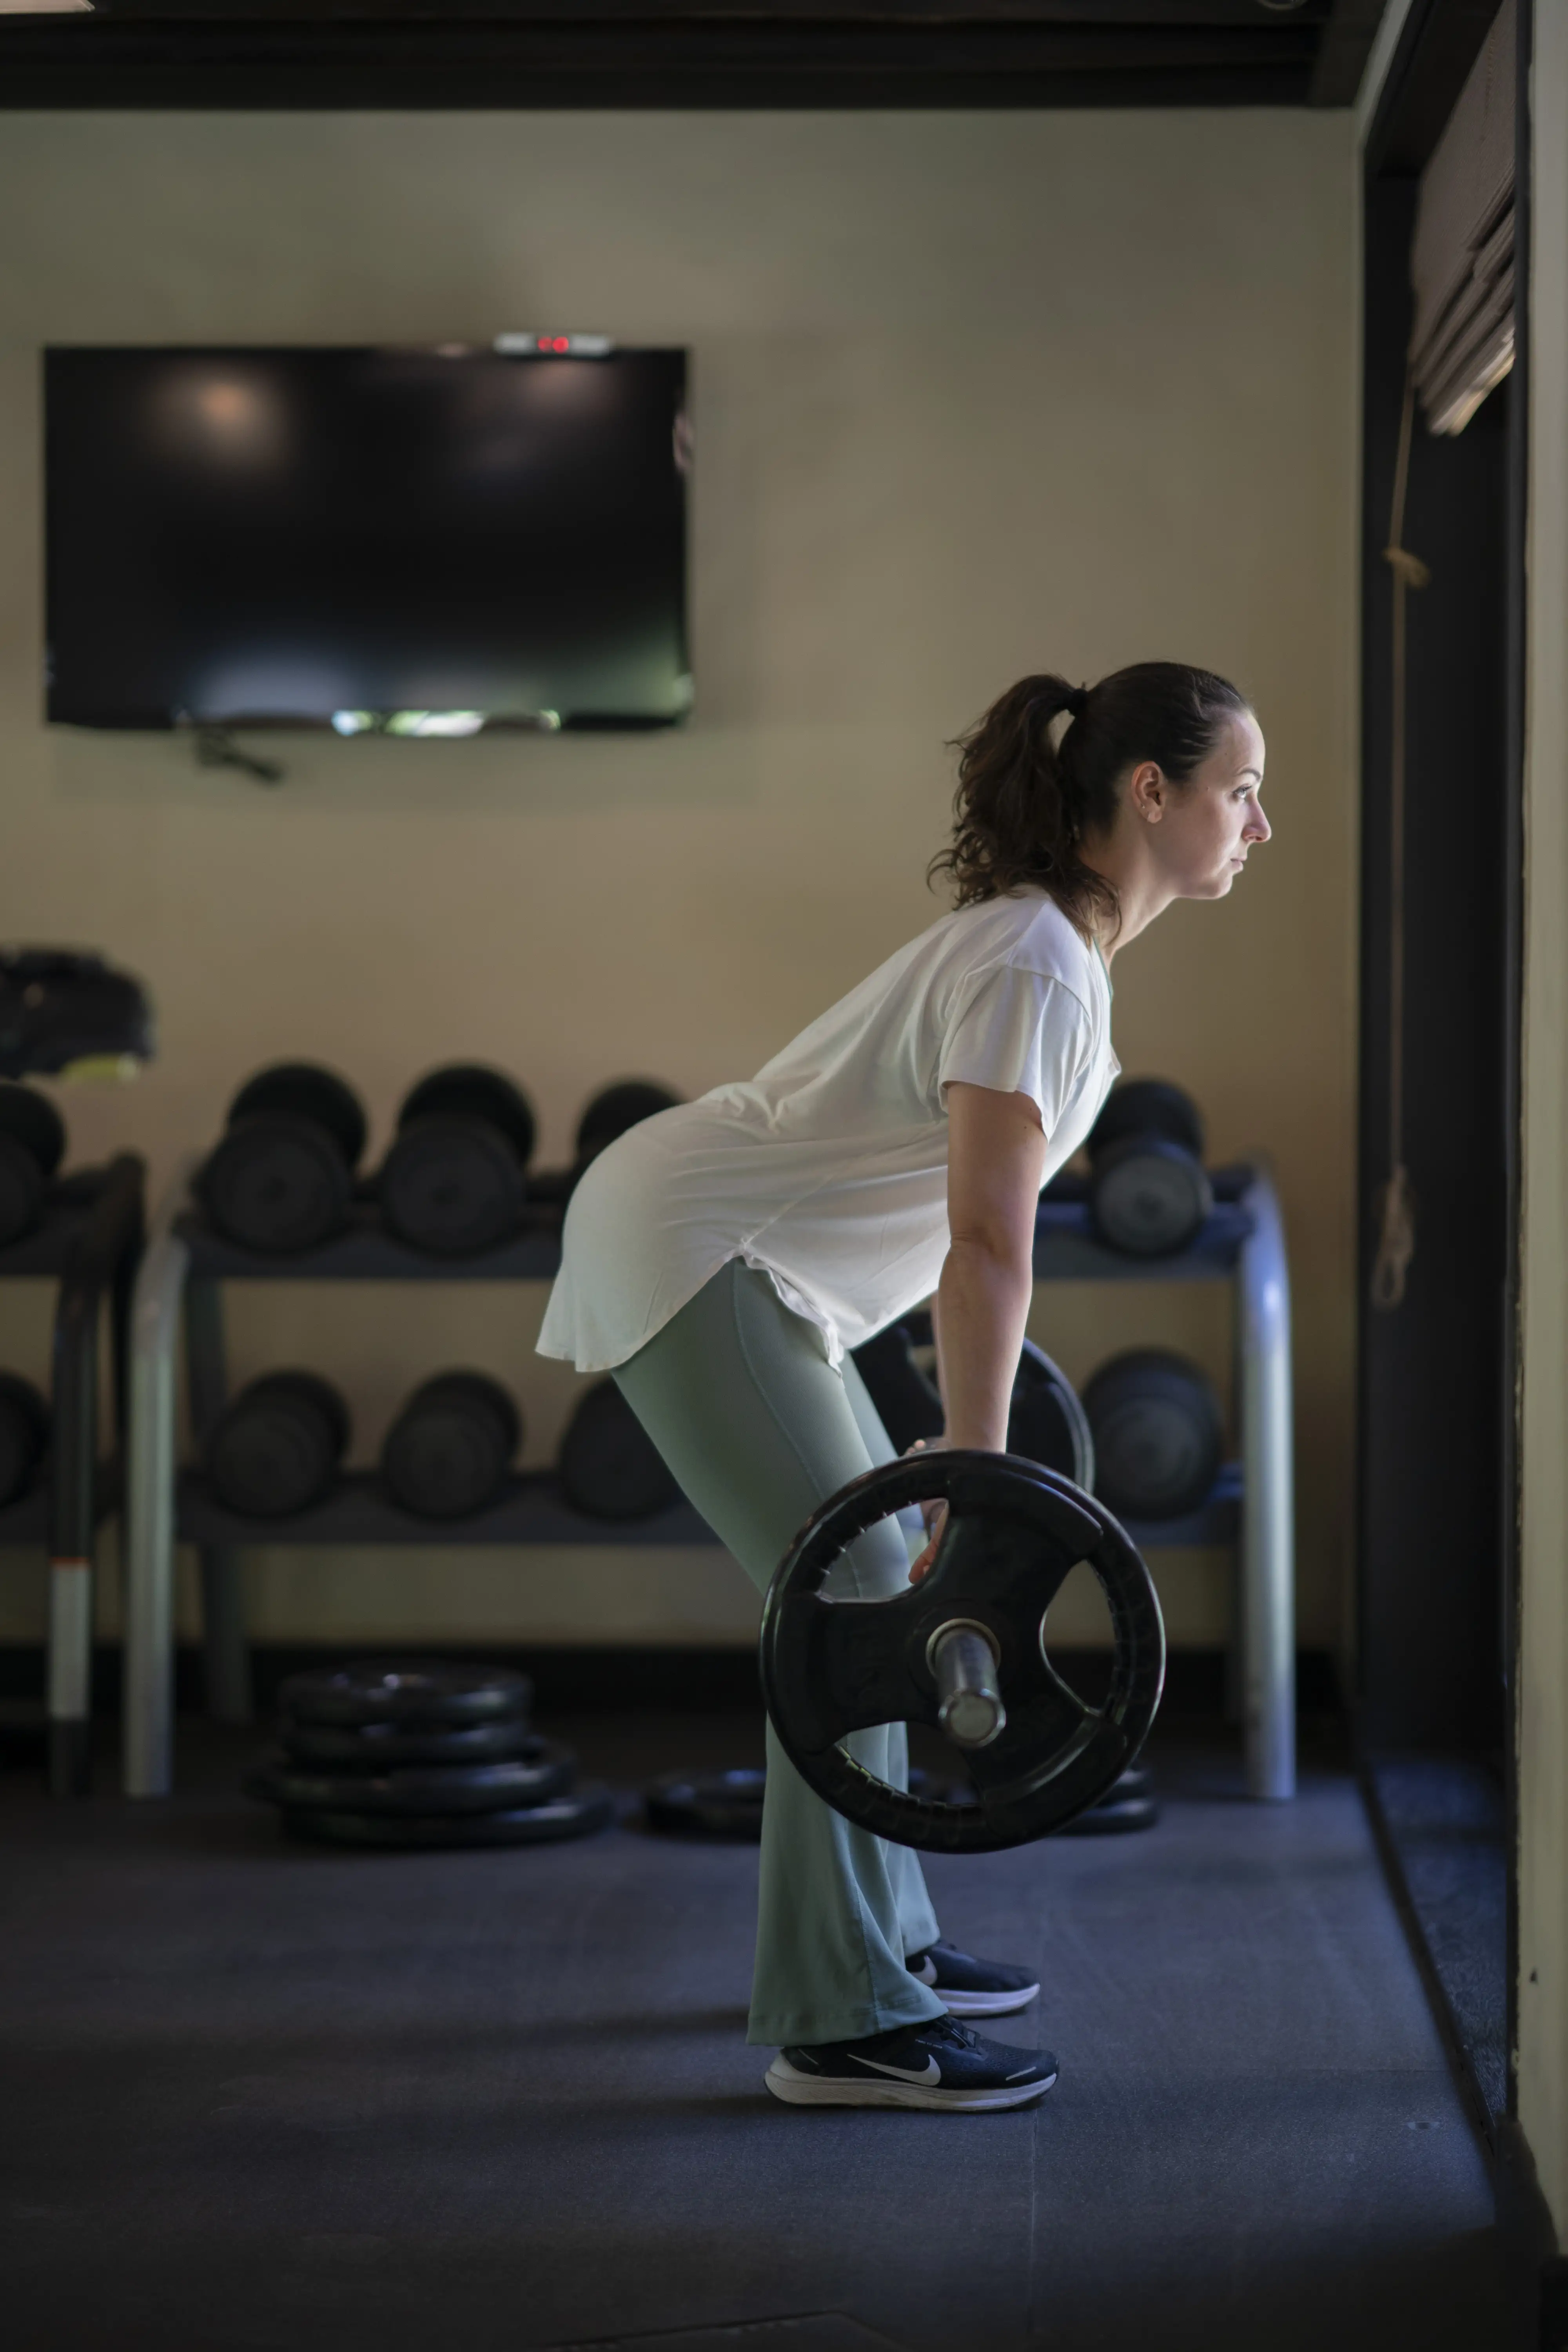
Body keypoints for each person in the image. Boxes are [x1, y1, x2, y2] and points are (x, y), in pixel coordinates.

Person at [537, 661, 1270, 2112]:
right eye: (1241, 793)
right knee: (863, 1608)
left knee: (864, 1596)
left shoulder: (1052, 955)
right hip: (707, 1253)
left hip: (748, 1268)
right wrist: (973, 1489)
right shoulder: (1033, 965)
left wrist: (959, 1481)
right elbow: (989, 1247)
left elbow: (972, 1242)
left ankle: (887, 1950)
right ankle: (840, 2024)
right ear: (1151, 793)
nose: (1260, 826)